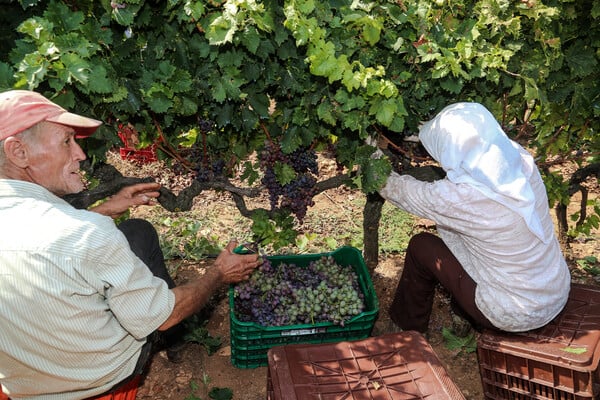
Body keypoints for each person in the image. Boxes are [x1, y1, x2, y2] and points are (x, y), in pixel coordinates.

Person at [0, 90, 262, 399]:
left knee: (137, 232)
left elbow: (45, 240)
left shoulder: (66, 228)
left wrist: (108, 208)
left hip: (20, 381)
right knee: (161, 315)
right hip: (95, 381)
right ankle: (168, 345)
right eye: (66, 141)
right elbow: (164, 316)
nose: (80, 155)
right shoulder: (87, 233)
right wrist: (218, 273)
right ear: (18, 152)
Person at [375, 102, 571, 334]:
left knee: (422, 247)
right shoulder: (518, 159)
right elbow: (468, 139)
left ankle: (406, 331)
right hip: (554, 289)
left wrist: (371, 157)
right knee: (460, 241)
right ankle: (461, 315)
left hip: (514, 313)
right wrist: (419, 132)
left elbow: (397, 189)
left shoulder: (460, 198)